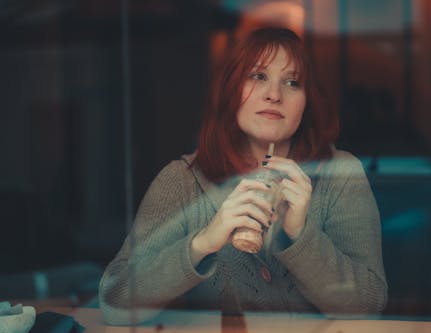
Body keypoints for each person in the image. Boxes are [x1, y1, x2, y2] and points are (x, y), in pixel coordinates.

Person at [99, 27, 387, 325]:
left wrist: (301, 235)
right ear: (230, 89)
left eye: (292, 82)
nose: (274, 95)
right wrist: (203, 242)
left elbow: (368, 305)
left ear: (306, 102)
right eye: (258, 76)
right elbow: (114, 302)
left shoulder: (339, 174)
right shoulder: (182, 180)